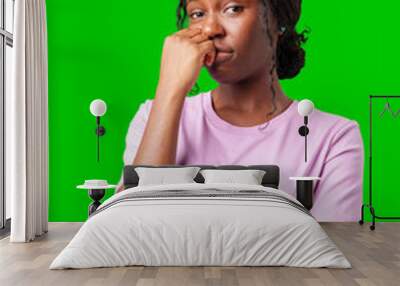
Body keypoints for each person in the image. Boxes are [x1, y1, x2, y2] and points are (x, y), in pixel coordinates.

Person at [115, 0, 364, 222]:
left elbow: (333, 248)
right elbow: (130, 227)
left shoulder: (335, 138)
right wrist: (169, 87)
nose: (211, 30)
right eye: (198, 13)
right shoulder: (153, 115)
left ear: (278, 21)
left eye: (233, 9)